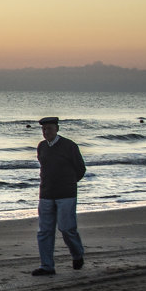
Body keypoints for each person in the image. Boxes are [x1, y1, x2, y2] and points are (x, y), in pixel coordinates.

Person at [33, 116, 86, 276]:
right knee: (44, 231)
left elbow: (80, 169)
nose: (45, 132)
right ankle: (47, 266)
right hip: (46, 193)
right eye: (43, 129)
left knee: (67, 228)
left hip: (66, 194)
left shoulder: (69, 146)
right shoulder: (42, 146)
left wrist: (68, 183)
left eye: (49, 129)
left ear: (57, 129)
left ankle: (77, 254)